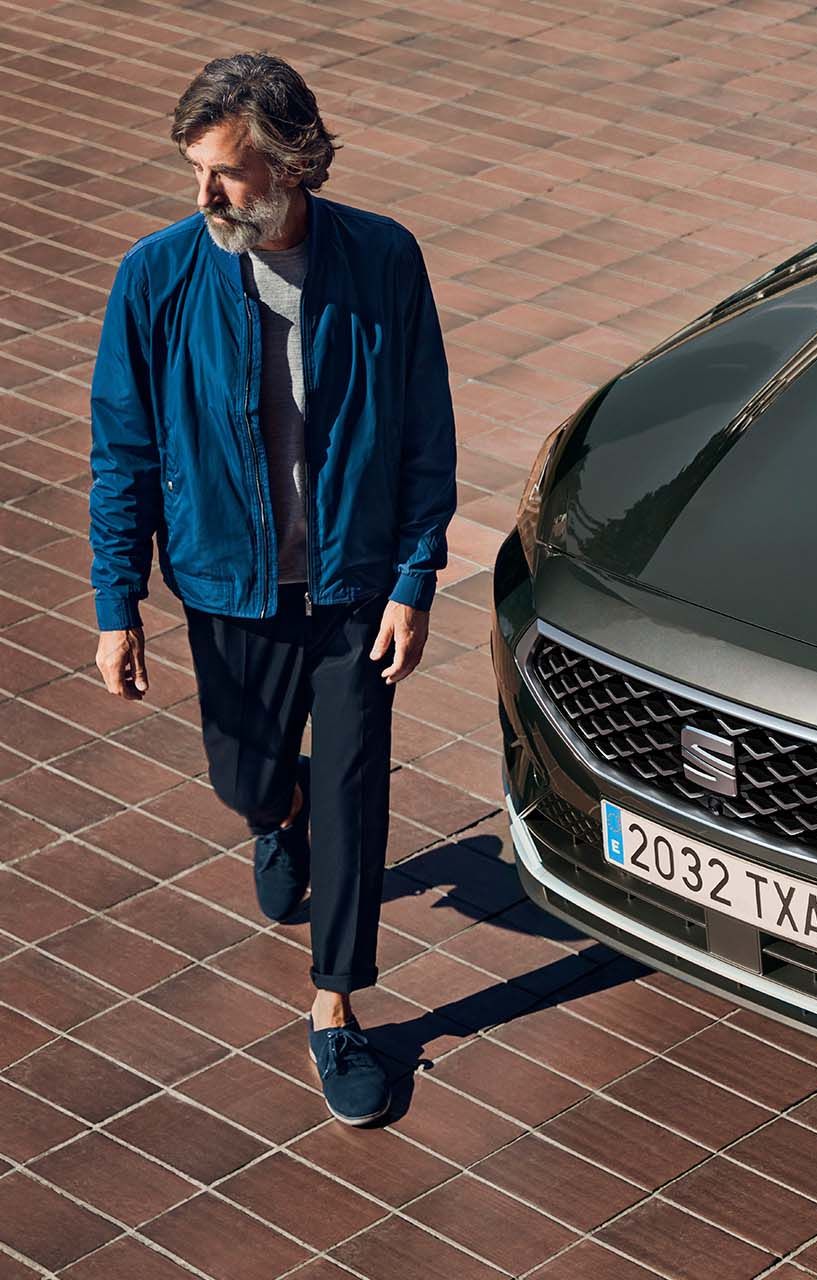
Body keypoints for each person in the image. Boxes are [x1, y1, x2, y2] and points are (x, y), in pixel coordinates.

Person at [88, 51, 457, 1125]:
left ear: (293, 163)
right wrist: (117, 600)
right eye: (196, 170)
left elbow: (425, 428)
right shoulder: (156, 277)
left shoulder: (383, 259)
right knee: (243, 774)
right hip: (225, 583)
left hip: (351, 587)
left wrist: (412, 574)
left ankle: (336, 1005)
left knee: (352, 793)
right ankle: (273, 807)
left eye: (228, 173)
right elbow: (124, 449)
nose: (206, 194)